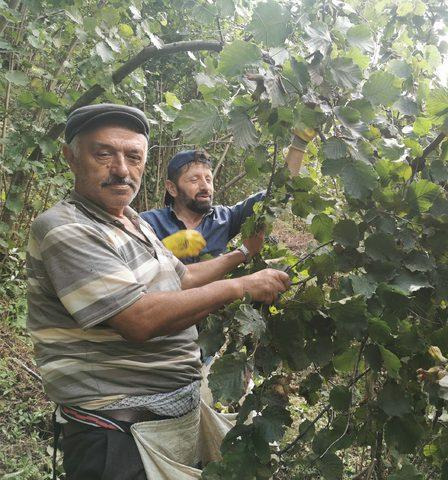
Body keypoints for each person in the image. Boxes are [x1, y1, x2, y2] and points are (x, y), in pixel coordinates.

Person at [25, 103, 291, 480]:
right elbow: (137, 318)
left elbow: (181, 279)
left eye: (133, 156)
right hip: (114, 437)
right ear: (70, 157)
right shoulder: (65, 228)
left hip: (163, 425)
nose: (121, 169)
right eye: (104, 154)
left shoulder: (132, 221)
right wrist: (240, 287)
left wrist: (242, 255)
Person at [140, 131, 312, 265]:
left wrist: (300, 142)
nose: (205, 186)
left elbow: (277, 195)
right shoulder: (148, 223)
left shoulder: (225, 219)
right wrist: (164, 250)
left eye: (208, 179)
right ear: (172, 188)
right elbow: (128, 271)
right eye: (194, 179)